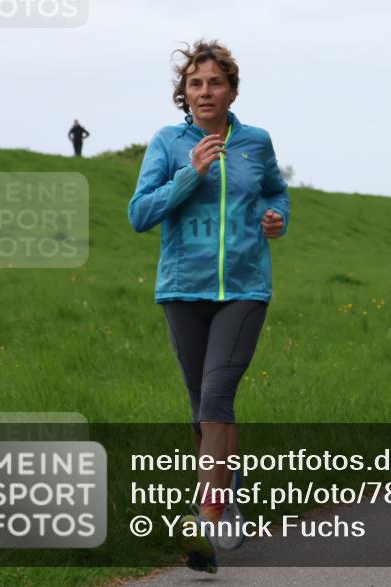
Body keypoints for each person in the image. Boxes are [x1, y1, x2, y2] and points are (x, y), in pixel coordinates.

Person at [128, 39, 290, 573]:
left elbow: (274, 193)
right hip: (182, 289)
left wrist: (274, 216)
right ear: (185, 93)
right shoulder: (168, 144)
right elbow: (139, 214)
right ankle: (230, 497)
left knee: (218, 394)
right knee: (202, 405)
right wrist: (189, 174)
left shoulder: (256, 142)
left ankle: (205, 516)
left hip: (243, 288)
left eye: (214, 82)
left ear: (232, 90)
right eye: (195, 84)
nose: (205, 91)